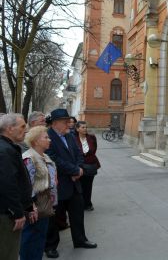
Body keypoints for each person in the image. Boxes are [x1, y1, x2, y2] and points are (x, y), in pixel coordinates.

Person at [45, 108, 97, 259]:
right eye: (65, 121)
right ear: (55, 123)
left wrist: (79, 169)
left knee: (77, 214)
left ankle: (80, 240)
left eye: (68, 121)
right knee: (54, 218)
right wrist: (74, 170)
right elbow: (53, 159)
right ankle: (51, 246)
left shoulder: (69, 136)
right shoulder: (48, 137)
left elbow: (79, 154)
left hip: (75, 183)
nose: (69, 124)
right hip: (58, 185)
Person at [20, 126, 58, 260]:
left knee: (40, 236)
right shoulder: (29, 158)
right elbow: (26, 185)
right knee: (30, 237)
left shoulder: (44, 156)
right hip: (35, 203)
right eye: (46, 137)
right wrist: (31, 206)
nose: (50, 140)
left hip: (46, 201)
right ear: (35, 141)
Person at [0, 114, 34, 260]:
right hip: (7, 214)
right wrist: (17, 212)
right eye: (22, 126)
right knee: (8, 253)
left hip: (9, 211)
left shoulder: (8, 147)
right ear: (9, 129)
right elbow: (7, 184)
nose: (26, 130)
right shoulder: (4, 150)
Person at [74, 121, 100, 211]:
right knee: (79, 186)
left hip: (90, 166)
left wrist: (89, 158)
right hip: (79, 166)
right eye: (82, 127)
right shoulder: (73, 139)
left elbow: (94, 149)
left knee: (88, 186)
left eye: (86, 127)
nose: (85, 129)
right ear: (77, 129)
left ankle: (88, 204)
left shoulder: (92, 138)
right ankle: (79, 204)